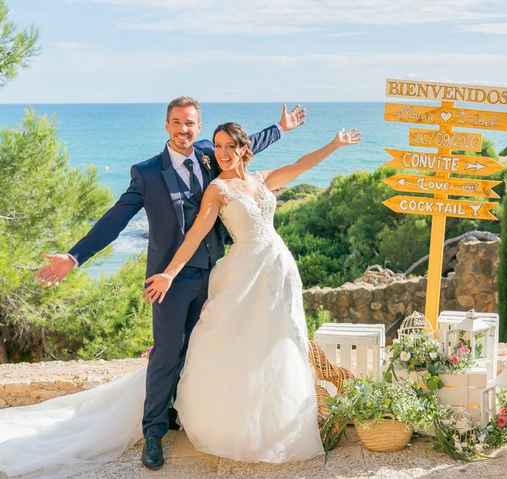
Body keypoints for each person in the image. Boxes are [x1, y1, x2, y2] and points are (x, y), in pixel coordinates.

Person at [0, 119, 360, 478]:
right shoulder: (217, 189)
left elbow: (299, 166)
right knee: (215, 345)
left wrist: (333, 143)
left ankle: (270, 418)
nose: (220, 153)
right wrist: (168, 273)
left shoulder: (260, 180)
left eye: (228, 147)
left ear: (243, 149)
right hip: (243, 273)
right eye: (216, 147)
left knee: (273, 343)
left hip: (278, 273)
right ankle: (173, 426)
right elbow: (194, 234)